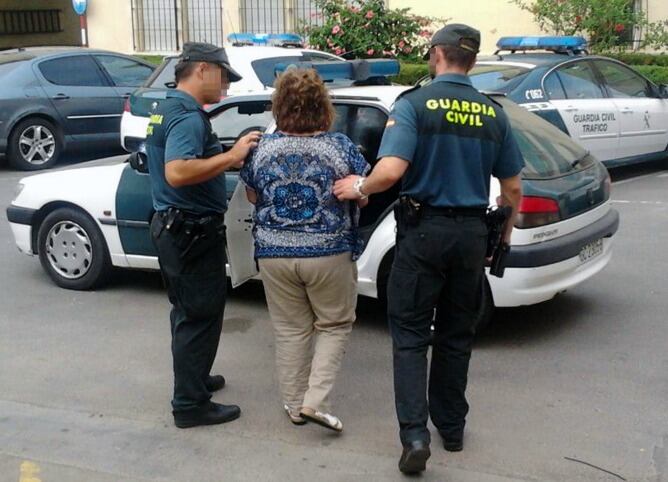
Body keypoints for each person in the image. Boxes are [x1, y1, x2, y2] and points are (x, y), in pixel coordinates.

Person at [334, 24, 524, 473]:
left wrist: (356, 184)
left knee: (411, 337)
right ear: (472, 62)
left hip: (423, 236)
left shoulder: (415, 104)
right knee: (457, 335)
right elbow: (513, 188)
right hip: (472, 237)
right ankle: (453, 429)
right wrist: (504, 235)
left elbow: (391, 170)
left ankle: (416, 435)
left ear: (436, 55)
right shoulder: (493, 113)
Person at [239, 68, 369, 432]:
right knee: (334, 324)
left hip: (274, 254)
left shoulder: (261, 149)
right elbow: (364, 194)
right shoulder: (340, 147)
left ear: (278, 106)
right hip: (328, 253)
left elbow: (251, 195)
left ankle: (296, 406)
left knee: (290, 329)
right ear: (322, 106)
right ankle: (316, 401)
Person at [146, 42, 261, 428]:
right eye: (224, 75)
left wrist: (224, 151)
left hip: (173, 226)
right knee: (200, 315)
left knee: (187, 312)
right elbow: (178, 171)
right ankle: (190, 404)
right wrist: (232, 156)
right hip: (191, 231)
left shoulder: (166, 107)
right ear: (201, 69)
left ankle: (195, 378)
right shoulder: (189, 117)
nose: (226, 84)